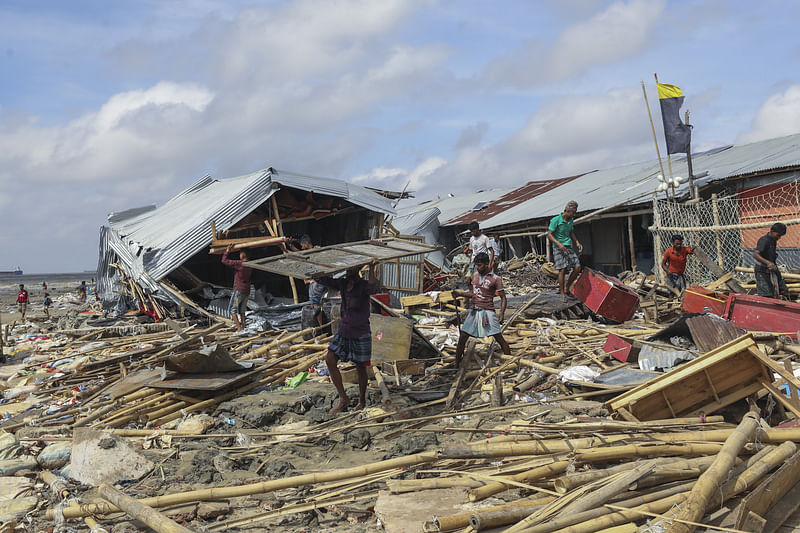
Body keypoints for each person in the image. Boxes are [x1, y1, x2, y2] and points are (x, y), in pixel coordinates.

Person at [314, 260, 380, 414]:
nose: (349, 270)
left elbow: (373, 288)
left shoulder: (363, 286)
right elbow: (326, 280)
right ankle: (343, 398)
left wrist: (372, 267)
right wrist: (316, 268)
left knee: (360, 368)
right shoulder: (343, 284)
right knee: (330, 360)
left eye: (352, 268)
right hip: (344, 331)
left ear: (357, 269)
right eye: (348, 268)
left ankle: (362, 401)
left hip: (360, 332)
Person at [453, 253, 511, 367]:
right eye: (476, 265)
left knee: (499, 338)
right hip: (474, 310)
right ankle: (456, 365)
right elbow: (473, 294)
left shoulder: (495, 279)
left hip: (488, 311)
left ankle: (510, 363)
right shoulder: (475, 276)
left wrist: (501, 314)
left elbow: (503, 297)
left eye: (480, 265)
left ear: (486, 264)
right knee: (463, 337)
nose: (478, 267)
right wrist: (459, 293)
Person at [547, 201, 583, 298]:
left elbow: (571, 232)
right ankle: (562, 293)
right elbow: (549, 234)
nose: (574, 215)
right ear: (567, 211)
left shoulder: (570, 220)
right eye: (573, 213)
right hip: (558, 247)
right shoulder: (556, 220)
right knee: (562, 269)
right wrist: (559, 244)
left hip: (567, 246)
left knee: (577, 267)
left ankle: (567, 288)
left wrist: (577, 242)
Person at [754, 222, 789, 299]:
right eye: (778, 235)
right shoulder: (764, 240)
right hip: (761, 270)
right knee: (766, 295)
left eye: (780, 236)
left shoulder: (773, 241)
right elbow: (756, 254)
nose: (779, 238)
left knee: (783, 289)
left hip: (771, 268)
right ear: (772, 231)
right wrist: (768, 262)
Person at [222, 245, 253, 331]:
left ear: (243, 254)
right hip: (246, 290)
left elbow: (224, 261)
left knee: (233, 309)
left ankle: (239, 328)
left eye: (240, 253)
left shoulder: (240, 264)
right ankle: (244, 325)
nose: (239, 255)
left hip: (239, 290)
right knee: (242, 309)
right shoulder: (250, 264)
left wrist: (227, 250)